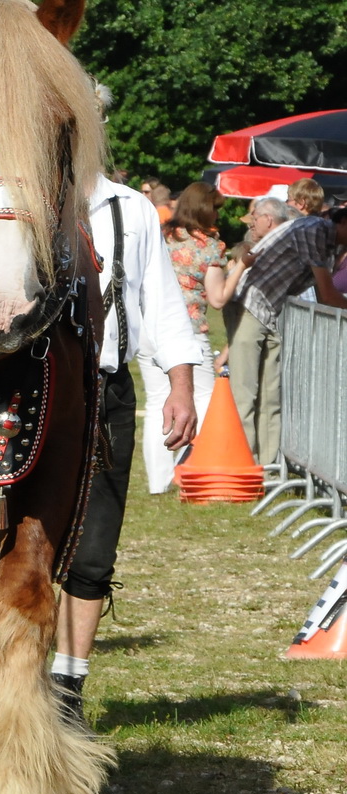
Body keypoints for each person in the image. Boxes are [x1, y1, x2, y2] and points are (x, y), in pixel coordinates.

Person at [53, 174, 202, 721]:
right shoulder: (9, 193)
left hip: (105, 390)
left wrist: (180, 387)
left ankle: (66, 694)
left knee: (93, 552)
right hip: (28, 392)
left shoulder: (131, 207)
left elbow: (162, 305)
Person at [223, 198, 347, 463]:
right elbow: (327, 294)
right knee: (244, 393)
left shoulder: (329, 242)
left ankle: (266, 468)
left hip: (269, 311)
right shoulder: (314, 229)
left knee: (270, 396)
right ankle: (241, 464)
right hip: (249, 306)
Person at [140, 182, 228, 493]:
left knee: (154, 404)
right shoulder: (210, 246)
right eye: (216, 207)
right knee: (202, 399)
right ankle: (189, 467)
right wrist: (242, 267)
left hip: (148, 327)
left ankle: (158, 482)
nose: (218, 213)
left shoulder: (163, 235)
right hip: (187, 329)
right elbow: (217, 299)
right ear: (206, 208)